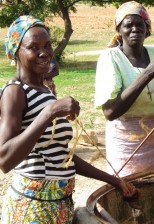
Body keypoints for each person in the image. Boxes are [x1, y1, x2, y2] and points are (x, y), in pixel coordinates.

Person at [0, 15, 139, 224]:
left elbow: (62, 157)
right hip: (31, 208)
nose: (44, 53)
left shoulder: (45, 91)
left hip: (59, 205)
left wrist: (114, 181)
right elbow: (5, 159)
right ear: (16, 52)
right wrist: (50, 113)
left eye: (47, 45)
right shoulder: (15, 92)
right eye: (33, 47)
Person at [94, 1, 154, 177]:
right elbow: (110, 112)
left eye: (140, 24)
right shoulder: (111, 58)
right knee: (130, 193)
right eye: (128, 25)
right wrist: (147, 73)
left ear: (147, 28)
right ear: (119, 30)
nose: (135, 29)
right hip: (126, 144)